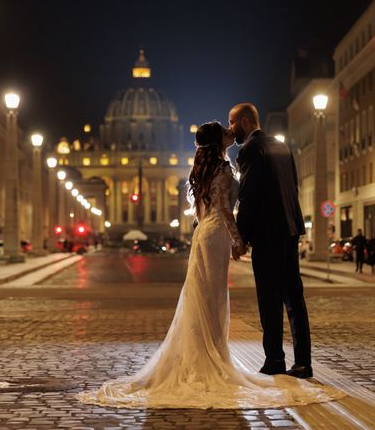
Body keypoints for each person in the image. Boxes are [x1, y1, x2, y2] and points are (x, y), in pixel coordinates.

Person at [77, 120, 343, 409]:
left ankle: (205, 355)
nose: (232, 132)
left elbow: (204, 209)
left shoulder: (201, 168)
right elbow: (227, 209)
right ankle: (212, 357)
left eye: (232, 128)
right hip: (216, 234)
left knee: (202, 296)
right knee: (213, 297)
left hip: (204, 233)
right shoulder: (224, 167)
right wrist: (238, 239)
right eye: (226, 131)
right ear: (219, 140)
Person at [231, 103, 313, 379]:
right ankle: (303, 362)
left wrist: (240, 237)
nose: (231, 129)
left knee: (269, 299)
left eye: (232, 122)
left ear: (244, 121)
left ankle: (275, 359)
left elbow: (248, 196)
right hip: (290, 230)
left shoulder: (250, 149)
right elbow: (294, 187)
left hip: (267, 234)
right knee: (294, 298)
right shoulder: (282, 146)